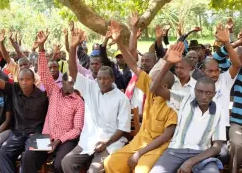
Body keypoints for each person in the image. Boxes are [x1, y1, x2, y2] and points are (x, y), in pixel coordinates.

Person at [104, 21, 178, 173]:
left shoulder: (174, 103)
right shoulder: (151, 89)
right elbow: (132, 64)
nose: (150, 82)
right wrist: (118, 41)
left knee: (141, 170)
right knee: (111, 162)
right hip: (139, 141)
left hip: (157, 148)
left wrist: (139, 153)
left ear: (164, 87)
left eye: (155, 81)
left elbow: (165, 137)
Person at [61, 28, 131, 173]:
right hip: (89, 139)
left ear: (112, 79)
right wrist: (73, 48)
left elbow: (123, 128)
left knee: (93, 171)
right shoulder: (91, 88)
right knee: (67, 162)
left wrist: (107, 142)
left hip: (111, 142)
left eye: (106, 78)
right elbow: (74, 72)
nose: (102, 81)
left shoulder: (121, 98)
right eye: (99, 78)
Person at [150, 42, 226, 173]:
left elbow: (217, 147)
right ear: (194, 91)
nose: (203, 96)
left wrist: (191, 162)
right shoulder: (184, 99)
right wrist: (168, 63)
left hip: (201, 154)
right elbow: (154, 89)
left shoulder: (219, 110)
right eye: (199, 92)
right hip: (175, 151)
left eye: (208, 93)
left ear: (214, 94)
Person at [21, 30, 85, 173]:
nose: (73, 86)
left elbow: (77, 129)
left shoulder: (78, 101)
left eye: (74, 83)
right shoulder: (54, 91)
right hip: (46, 136)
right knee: (28, 157)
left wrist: (58, 140)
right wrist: (41, 47)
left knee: (60, 164)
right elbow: (43, 72)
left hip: (65, 140)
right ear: (63, 82)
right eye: (70, 82)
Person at [0, 49, 48, 173]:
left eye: (28, 79)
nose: (24, 83)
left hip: (39, 133)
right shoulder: (14, 88)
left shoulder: (43, 96)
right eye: (21, 80)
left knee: (28, 157)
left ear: (33, 80)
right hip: (18, 133)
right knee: (2, 153)